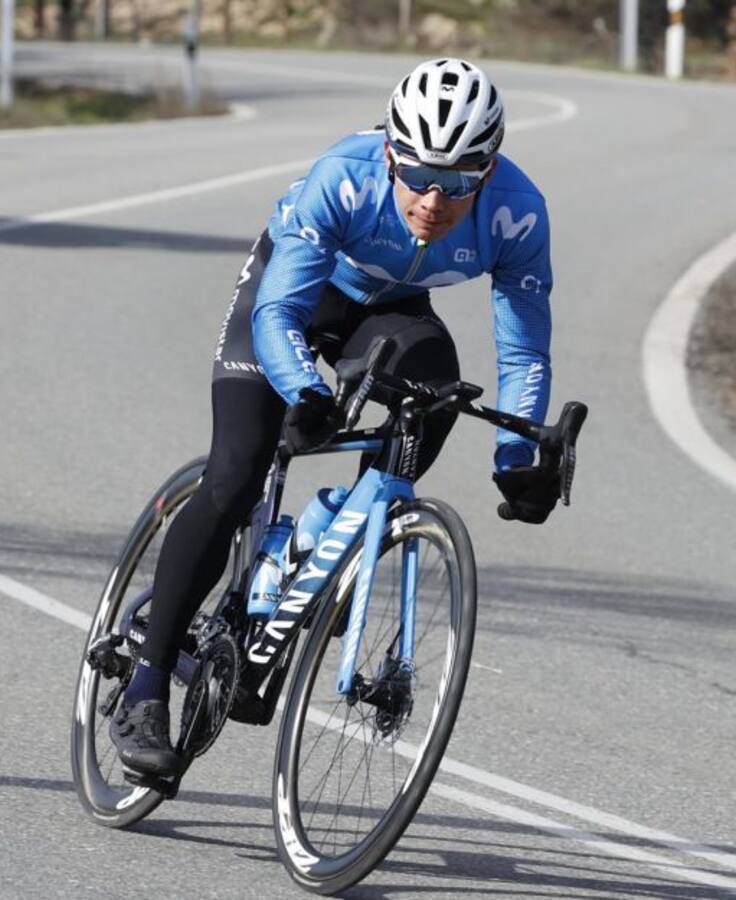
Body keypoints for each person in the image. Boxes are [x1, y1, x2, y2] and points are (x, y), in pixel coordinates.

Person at [110, 57, 560, 775]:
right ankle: (147, 683)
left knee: (436, 394)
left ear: (489, 168)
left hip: (392, 314)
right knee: (237, 471)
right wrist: (305, 393)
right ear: (389, 153)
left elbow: (525, 352)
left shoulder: (518, 212)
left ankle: (327, 552)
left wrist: (517, 460)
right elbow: (281, 310)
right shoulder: (344, 174)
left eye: (457, 184)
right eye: (416, 175)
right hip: (290, 295)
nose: (433, 202)